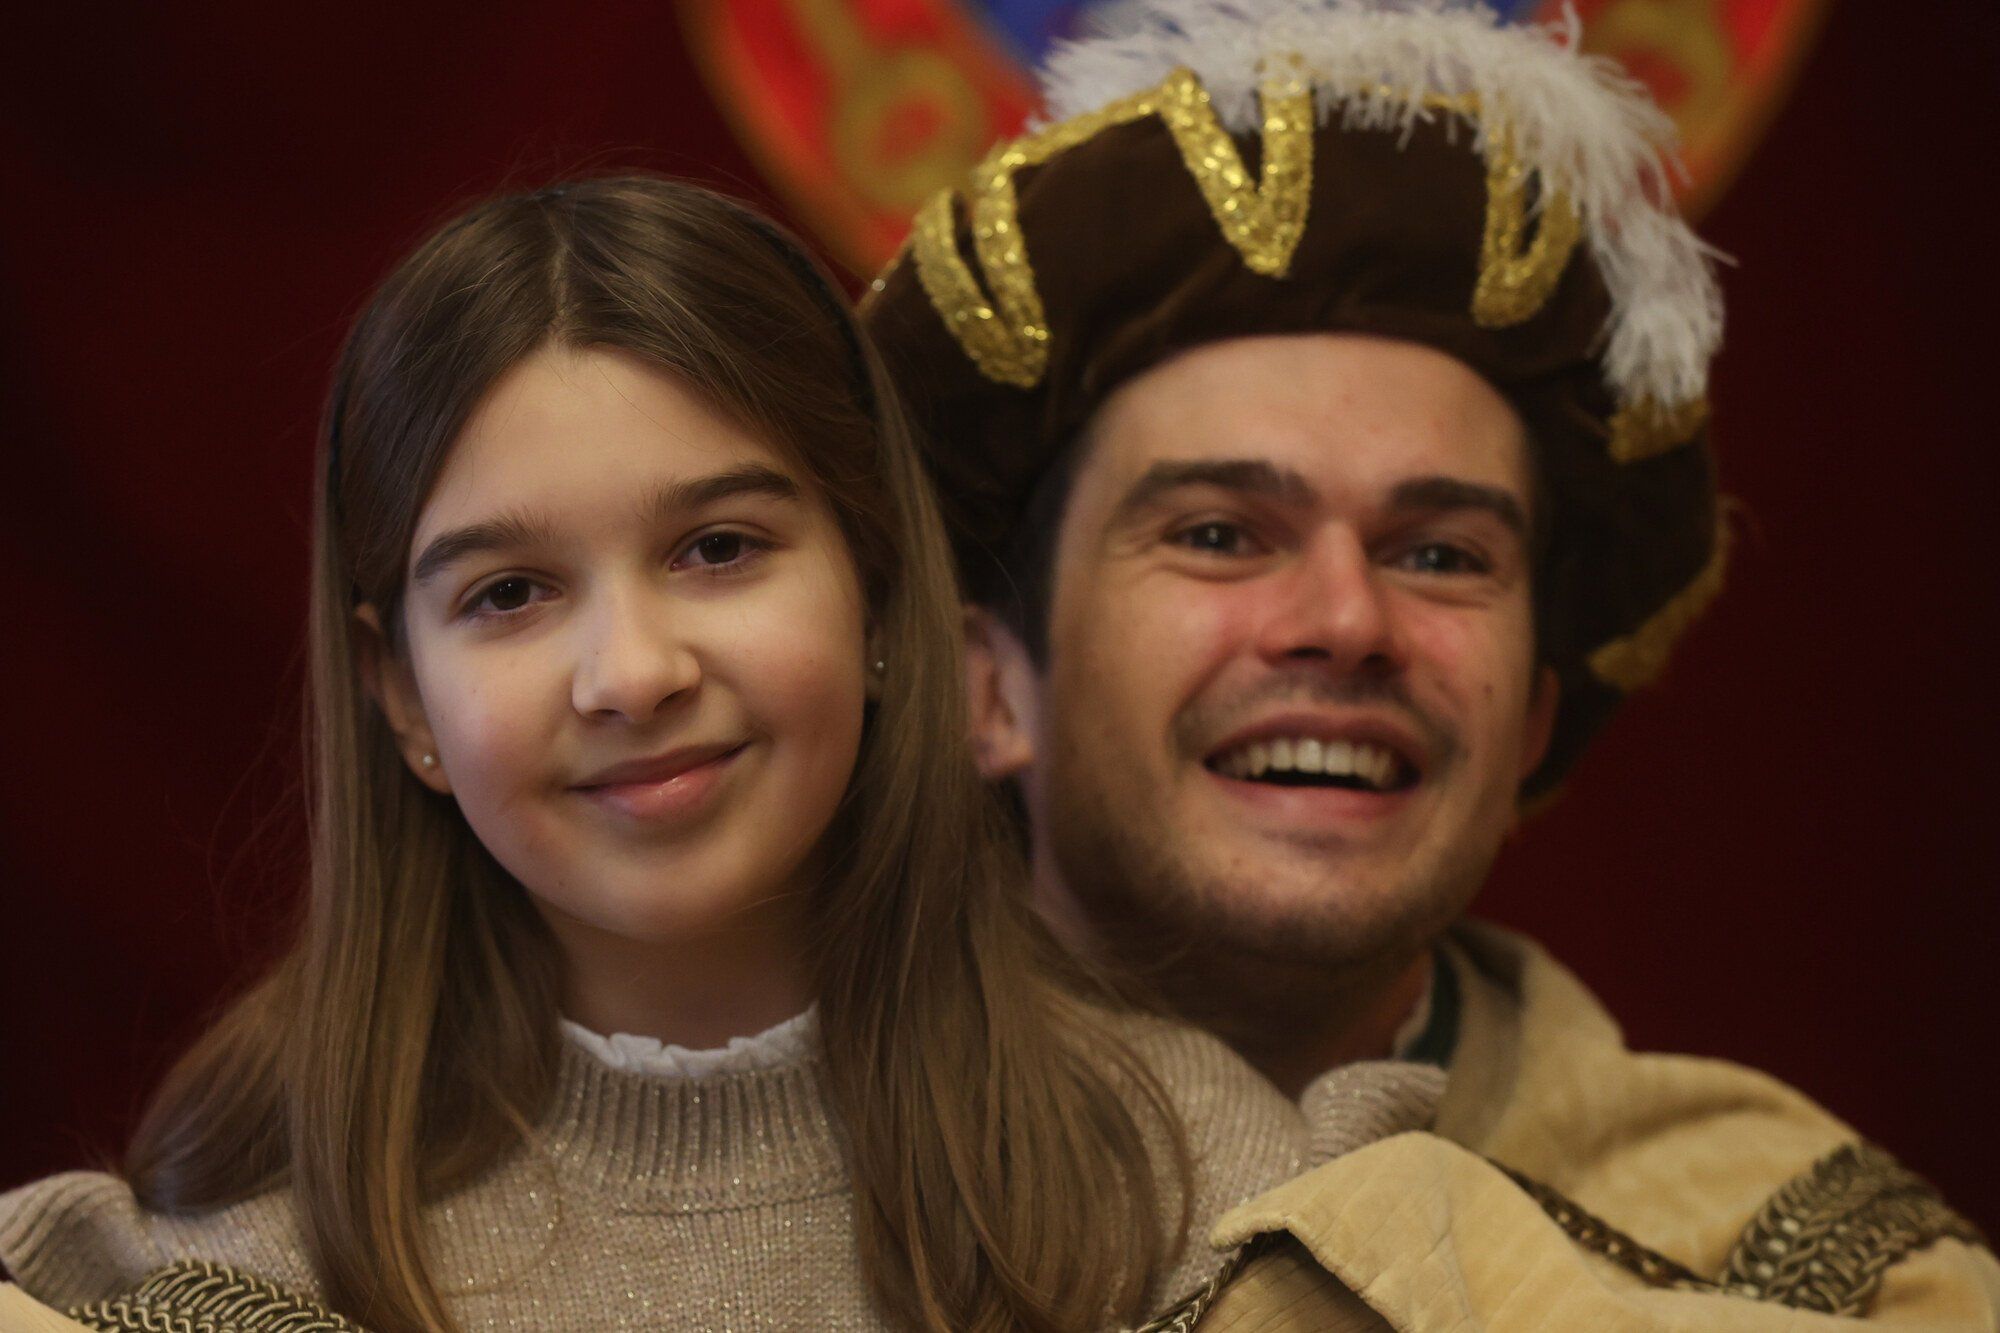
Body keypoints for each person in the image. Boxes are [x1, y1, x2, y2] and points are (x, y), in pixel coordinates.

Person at [0, 175, 1431, 1332]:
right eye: (509, 593)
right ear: (403, 700)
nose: (632, 673)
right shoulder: (221, 1273)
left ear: (877, 593)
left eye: (719, 548)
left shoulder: (1198, 1202)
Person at [861, 0, 1998, 1325]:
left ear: (1527, 722)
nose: (1348, 619)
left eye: (1444, 555)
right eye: (1222, 533)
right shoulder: (699, 1212)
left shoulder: (1835, 1269)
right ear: (990, 688)